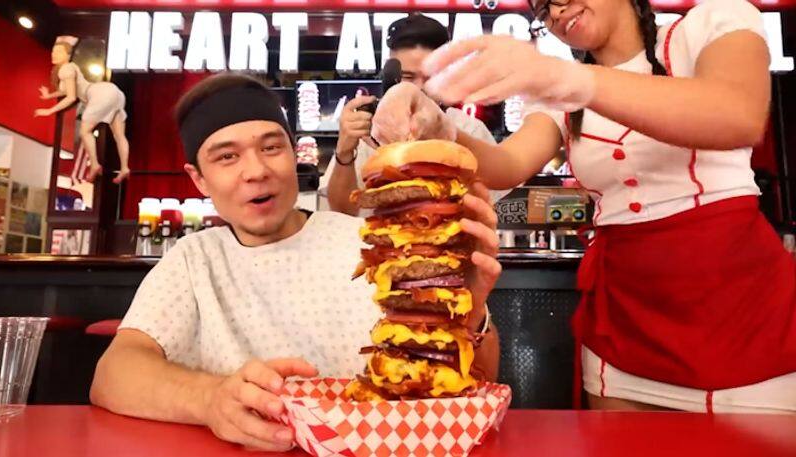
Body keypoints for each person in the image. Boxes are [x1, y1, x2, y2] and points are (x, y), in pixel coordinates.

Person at [371, 0, 796, 414]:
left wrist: (570, 79)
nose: (556, 11)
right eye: (543, 7)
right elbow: (507, 164)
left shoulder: (712, 22)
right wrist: (437, 124)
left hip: (742, 307)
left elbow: (738, 113)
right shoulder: (559, 93)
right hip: (624, 315)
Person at [89, 74, 502, 451]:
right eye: (227, 157)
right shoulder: (194, 261)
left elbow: (474, 384)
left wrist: (469, 310)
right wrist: (210, 399)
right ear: (198, 178)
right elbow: (114, 374)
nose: (257, 171)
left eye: (271, 148)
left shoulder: (374, 243)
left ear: (293, 154)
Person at [323, 13, 508, 215]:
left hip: (448, 239)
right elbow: (342, 212)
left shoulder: (469, 129)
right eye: (408, 77)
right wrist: (344, 151)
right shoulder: (371, 130)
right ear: (390, 76)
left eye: (431, 77)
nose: (419, 88)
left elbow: (488, 206)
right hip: (380, 240)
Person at [35, 39, 130, 184]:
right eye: (53, 51)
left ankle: (95, 164)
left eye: (58, 52)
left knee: (84, 131)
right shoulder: (70, 68)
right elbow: (65, 90)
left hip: (98, 94)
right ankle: (124, 167)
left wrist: (50, 110)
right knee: (119, 135)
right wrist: (49, 96)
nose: (54, 54)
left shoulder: (66, 70)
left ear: (68, 55)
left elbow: (71, 97)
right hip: (114, 92)